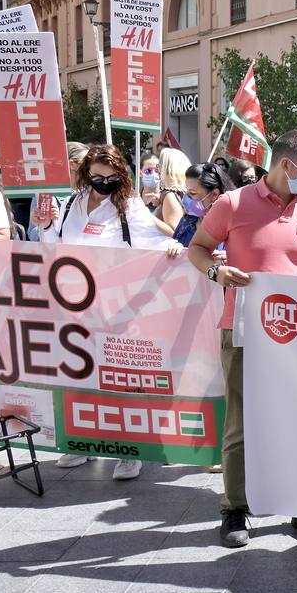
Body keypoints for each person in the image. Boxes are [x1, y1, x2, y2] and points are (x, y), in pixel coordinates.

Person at [189, 129, 297, 548]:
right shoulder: (233, 204)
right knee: (241, 423)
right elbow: (199, 248)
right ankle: (235, 508)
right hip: (244, 328)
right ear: (285, 164)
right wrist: (217, 272)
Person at [52, 144, 185, 481]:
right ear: (87, 174)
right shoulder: (72, 202)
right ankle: (81, 443)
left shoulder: (129, 205)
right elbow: (55, 243)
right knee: (80, 374)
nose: (104, 182)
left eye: (112, 177)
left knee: (119, 378)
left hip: (117, 304)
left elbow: (150, 240)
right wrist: (44, 225)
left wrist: (171, 249)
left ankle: (130, 451)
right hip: (75, 304)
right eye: (98, 176)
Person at [175, 162, 234, 247]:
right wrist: (175, 247)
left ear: (214, 195)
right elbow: (175, 246)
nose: (186, 197)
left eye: (192, 193)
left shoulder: (231, 226)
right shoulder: (186, 222)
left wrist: (226, 257)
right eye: (186, 191)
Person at [155, 147, 190, 232]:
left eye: (159, 164)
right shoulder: (185, 193)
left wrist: (147, 216)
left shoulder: (170, 195)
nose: (157, 169)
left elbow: (174, 232)